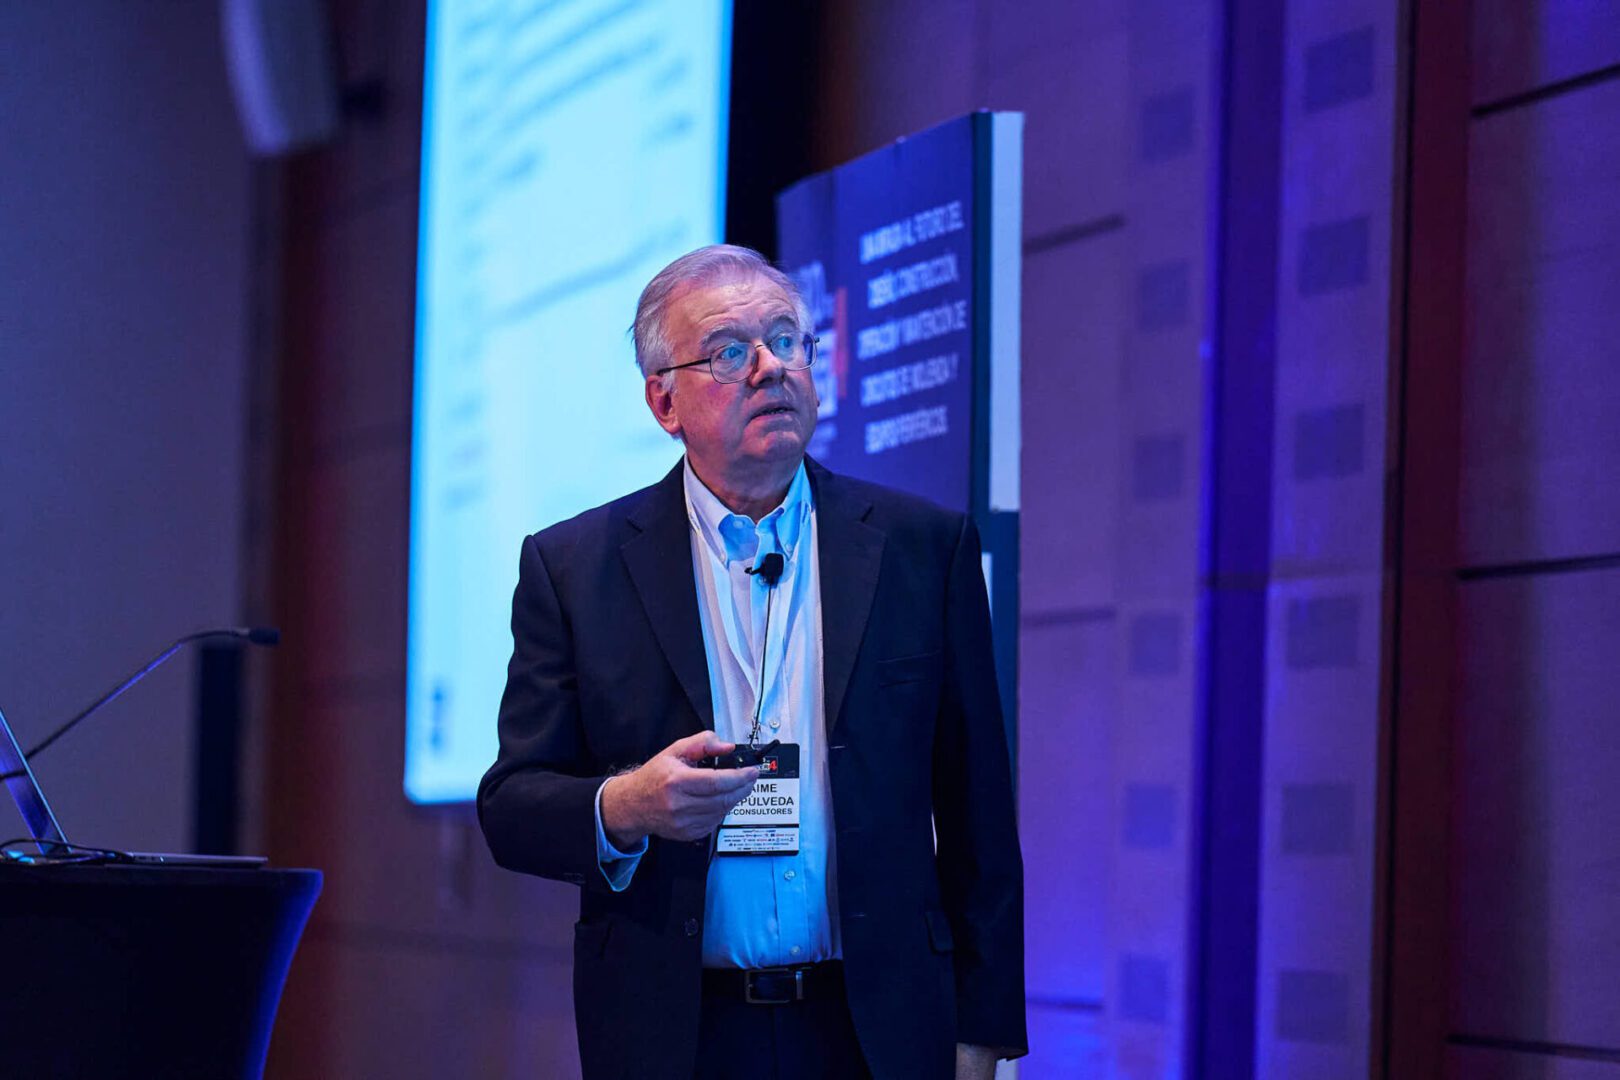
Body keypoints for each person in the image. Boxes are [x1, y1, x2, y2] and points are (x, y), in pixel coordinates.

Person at [478, 244, 1025, 1079]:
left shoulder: (922, 547)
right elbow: (512, 806)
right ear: (663, 400)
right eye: (730, 352)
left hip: (876, 1033)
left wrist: (981, 1035)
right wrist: (628, 805)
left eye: (786, 340)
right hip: (679, 1037)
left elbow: (979, 809)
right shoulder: (575, 569)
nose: (770, 367)